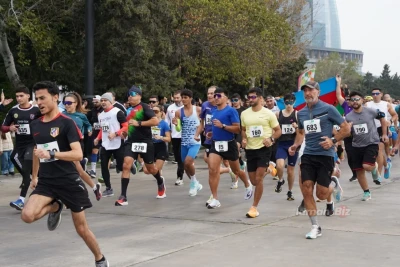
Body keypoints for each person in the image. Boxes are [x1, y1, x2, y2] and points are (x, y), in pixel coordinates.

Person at [21, 81, 109, 267]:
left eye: (43, 98)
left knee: (81, 229)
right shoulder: (35, 124)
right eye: (37, 99)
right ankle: (55, 207)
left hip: (68, 181)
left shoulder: (67, 123)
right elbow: (37, 152)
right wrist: (34, 177)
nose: (39, 102)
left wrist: (52, 154)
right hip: (46, 181)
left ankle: (100, 258)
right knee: (27, 215)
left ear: (55, 98)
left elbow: (77, 154)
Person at [289, 81, 351, 239]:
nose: (308, 94)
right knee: (306, 189)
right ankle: (315, 226)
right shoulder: (301, 113)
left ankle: (332, 183)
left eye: (311, 91)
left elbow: (346, 129)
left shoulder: (328, 109)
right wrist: (296, 145)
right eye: (305, 91)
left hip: (325, 155)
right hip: (308, 155)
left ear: (318, 92)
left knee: (322, 194)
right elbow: (301, 132)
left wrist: (333, 140)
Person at [202, 88, 253, 209]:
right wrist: (211, 134)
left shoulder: (231, 111)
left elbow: (237, 129)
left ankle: (247, 184)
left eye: (219, 95)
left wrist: (223, 126)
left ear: (226, 98)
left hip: (229, 144)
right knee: (212, 170)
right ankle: (215, 199)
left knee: (236, 171)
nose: (216, 97)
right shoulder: (213, 111)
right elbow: (215, 127)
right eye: (215, 95)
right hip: (216, 144)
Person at [116, 86, 165, 206]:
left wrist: (139, 123)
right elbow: (129, 125)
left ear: (139, 96)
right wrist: (125, 132)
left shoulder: (144, 107)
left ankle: (160, 181)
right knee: (126, 165)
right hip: (131, 141)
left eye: (133, 94)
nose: (130, 96)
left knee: (150, 169)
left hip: (145, 142)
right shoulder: (127, 109)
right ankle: (123, 196)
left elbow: (155, 121)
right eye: (128, 94)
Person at [241, 88, 281, 218]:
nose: (250, 99)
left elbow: (278, 130)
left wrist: (271, 139)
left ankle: (254, 207)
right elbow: (243, 129)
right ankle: (269, 169)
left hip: (264, 149)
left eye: (253, 97)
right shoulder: (244, 114)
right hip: (250, 149)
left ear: (259, 98)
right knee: (253, 181)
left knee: (258, 179)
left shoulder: (268, 114)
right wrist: (244, 139)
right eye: (249, 97)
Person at [2, 87, 42, 210]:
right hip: (19, 145)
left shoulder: (36, 110)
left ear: (28, 96)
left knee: (25, 172)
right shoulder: (13, 110)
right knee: (17, 162)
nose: (19, 98)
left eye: (21, 96)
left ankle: (21, 200)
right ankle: (44, 181)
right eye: (17, 96)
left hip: (32, 144)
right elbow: (3, 127)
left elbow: (46, 121)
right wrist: (10, 128)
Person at [345, 91, 387, 201]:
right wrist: (348, 129)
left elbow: (383, 119)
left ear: (362, 100)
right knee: (359, 170)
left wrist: (384, 134)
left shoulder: (370, 111)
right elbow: (348, 133)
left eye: (357, 99)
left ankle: (374, 169)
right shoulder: (348, 117)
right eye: (352, 100)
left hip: (371, 142)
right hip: (356, 145)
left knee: (367, 166)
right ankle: (366, 192)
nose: (354, 102)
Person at [62, 93, 102, 201]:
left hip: (76, 144)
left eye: (69, 103)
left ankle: (71, 196)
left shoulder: (81, 116)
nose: (67, 105)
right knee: (78, 170)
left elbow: (88, 124)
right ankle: (94, 187)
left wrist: (89, 130)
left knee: (73, 170)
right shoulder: (61, 115)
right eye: (65, 103)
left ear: (76, 104)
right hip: (63, 145)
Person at [93, 93, 128, 198]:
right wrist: (97, 138)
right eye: (102, 100)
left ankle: (131, 164)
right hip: (105, 144)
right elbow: (102, 129)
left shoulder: (117, 112)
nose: (103, 102)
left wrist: (116, 134)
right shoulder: (101, 115)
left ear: (110, 101)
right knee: (104, 166)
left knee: (121, 167)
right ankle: (108, 188)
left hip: (117, 143)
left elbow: (126, 126)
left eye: (105, 100)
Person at [173, 89, 203, 197]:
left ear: (190, 98)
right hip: (184, 141)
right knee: (186, 167)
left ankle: (193, 184)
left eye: (186, 97)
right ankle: (195, 183)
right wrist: (175, 123)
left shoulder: (198, 110)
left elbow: (202, 124)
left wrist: (197, 134)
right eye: (182, 97)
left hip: (195, 141)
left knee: (187, 162)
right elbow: (178, 128)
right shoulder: (178, 112)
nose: (183, 99)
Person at [366, 88, 397, 182]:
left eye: (377, 93)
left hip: (382, 128)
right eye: (373, 94)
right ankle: (386, 165)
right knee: (376, 152)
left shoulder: (386, 104)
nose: (375, 95)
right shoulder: (368, 104)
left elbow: (395, 115)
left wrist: (390, 121)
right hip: (371, 129)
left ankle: (378, 174)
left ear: (381, 94)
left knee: (379, 150)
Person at [274, 93, 299, 201]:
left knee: (290, 170)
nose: (289, 105)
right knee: (279, 165)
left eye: (291, 102)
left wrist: (296, 127)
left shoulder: (297, 114)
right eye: (287, 102)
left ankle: (290, 191)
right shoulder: (277, 114)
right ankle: (280, 180)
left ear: (294, 102)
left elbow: (302, 132)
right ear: (284, 103)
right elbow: (274, 128)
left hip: (293, 145)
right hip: (281, 144)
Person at [335, 75, 357, 182]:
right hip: (348, 135)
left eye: (350, 99)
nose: (348, 101)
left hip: (359, 135)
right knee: (350, 155)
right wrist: (338, 82)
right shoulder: (345, 106)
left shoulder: (358, 107)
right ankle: (354, 173)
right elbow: (339, 95)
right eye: (347, 99)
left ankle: (361, 169)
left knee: (358, 154)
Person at [142, 105, 171, 180]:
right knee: (146, 171)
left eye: (156, 111)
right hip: (150, 146)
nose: (154, 113)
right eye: (152, 112)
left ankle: (161, 184)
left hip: (160, 146)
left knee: (157, 169)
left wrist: (161, 137)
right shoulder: (148, 122)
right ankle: (160, 178)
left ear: (161, 113)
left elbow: (169, 139)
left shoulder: (164, 124)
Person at [165, 90, 184, 185]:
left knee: (181, 157)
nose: (176, 100)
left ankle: (180, 177)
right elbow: (167, 122)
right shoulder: (170, 108)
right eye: (175, 98)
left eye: (178, 98)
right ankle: (185, 169)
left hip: (185, 136)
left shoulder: (186, 107)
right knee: (177, 157)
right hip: (175, 136)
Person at [87, 95, 103, 178]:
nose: (95, 103)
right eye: (94, 102)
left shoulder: (104, 110)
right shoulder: (92, 110)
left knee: (105, 152)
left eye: (96, 101)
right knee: (94, 150)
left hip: (104, 133)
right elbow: (88, 121)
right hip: (95, 133)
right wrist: (90, 128)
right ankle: (93, 170)